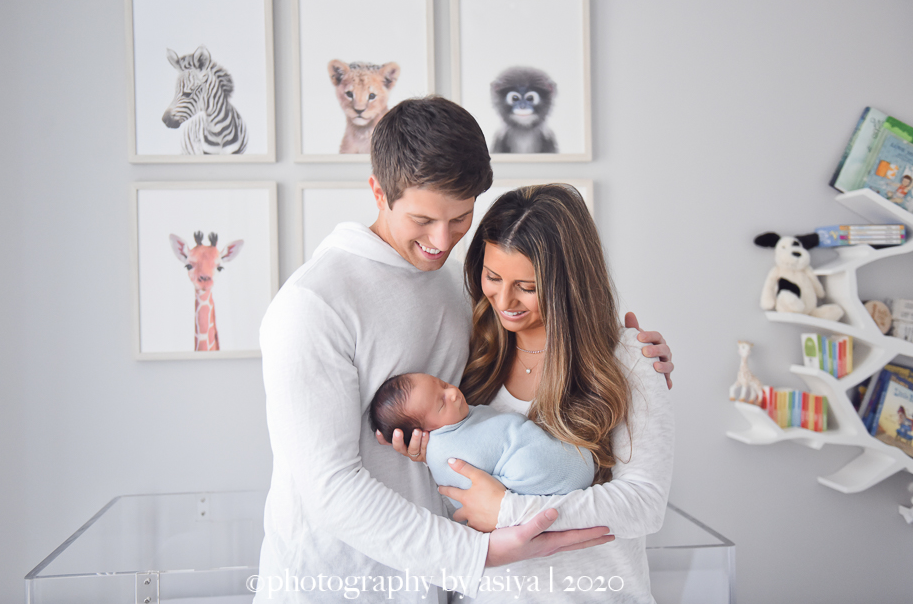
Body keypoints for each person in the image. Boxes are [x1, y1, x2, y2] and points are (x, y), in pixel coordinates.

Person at [255, 96, 673, 603]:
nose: (441, 240)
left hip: (437, 584)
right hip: (337, 584)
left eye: (460, 218)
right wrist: (480, 552)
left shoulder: (462, 291)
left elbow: (550, 341)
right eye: (423, 219)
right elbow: (330, 488)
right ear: (378, 191)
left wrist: (633, 355)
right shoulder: (312, 305)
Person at [386, 184, 674, 602]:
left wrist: (509, 511)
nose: (504, 300)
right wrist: (426, 456)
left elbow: (644, 503)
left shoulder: (629, 358)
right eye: (492, 277)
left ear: (568, 285)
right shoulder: (470, 351)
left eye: (527, 286)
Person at [369, 372, 597, 508]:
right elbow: (473, 498)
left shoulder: (462, 415)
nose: (453, 394)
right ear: (423, 433)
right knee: (526, 463)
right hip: (532, 483)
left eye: (443, 384)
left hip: (564, 459)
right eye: (441, 404)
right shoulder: (445, 455)